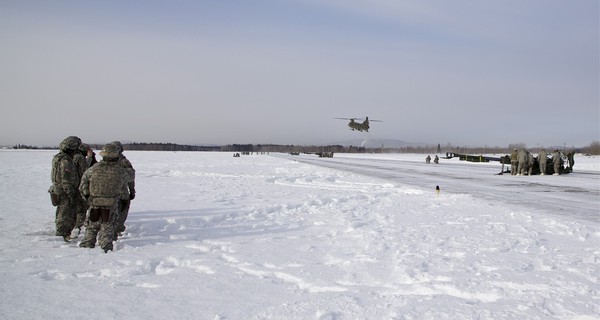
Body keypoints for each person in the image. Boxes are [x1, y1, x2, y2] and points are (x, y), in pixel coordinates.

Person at [79, 143, 133, 252]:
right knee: (107, 226)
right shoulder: (120, 171)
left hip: (95, 202)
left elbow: (83, 183)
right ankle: (105, 250)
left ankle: (86, 246)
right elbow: (131, 176)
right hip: (111, 204)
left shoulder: (94, 169)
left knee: (92, 225)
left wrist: (87, 195)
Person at [49, 136, 81, 241]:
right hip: (64, 191)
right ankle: (62, 235)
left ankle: (63, 233)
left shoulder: (58, 157)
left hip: (59, 189)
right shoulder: (65, 161)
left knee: (62, 213)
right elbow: (66, 179)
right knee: (65, 214)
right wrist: (71, 194)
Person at [111, 141, 136, 238]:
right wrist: (132, 191)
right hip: (121, 191)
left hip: (107, 191)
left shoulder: (105, 161)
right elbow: (130, 178)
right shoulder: (124, 161)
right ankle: (117, 228)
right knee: (122, 209)